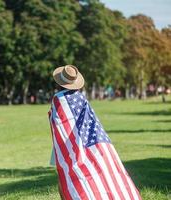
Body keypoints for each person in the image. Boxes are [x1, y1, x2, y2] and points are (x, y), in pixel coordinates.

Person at [48, 65, 141, 200]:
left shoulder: (58, 99)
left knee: (64, 172)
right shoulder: (81, 97)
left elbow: (57, 119)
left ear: (59, 82)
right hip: (84, 139)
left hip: (64, 140)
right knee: (82, 171)